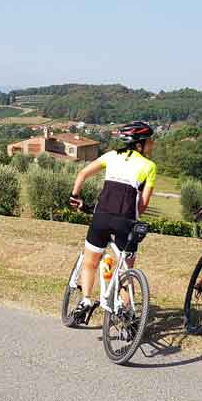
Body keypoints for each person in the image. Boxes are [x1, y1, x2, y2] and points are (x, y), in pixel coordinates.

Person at [68, 121, 157, 321]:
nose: (153, 144)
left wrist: (75, 196)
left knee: (91, 262)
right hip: (126, 222)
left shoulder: (110, 156)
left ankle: (86, 301)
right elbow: (142, 204)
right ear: (140, 144)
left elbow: (82, 174)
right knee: (127, 270)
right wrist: (133, 216)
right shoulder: (149, 166)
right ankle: (126, 312)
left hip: (101, 217)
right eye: (150, 140)